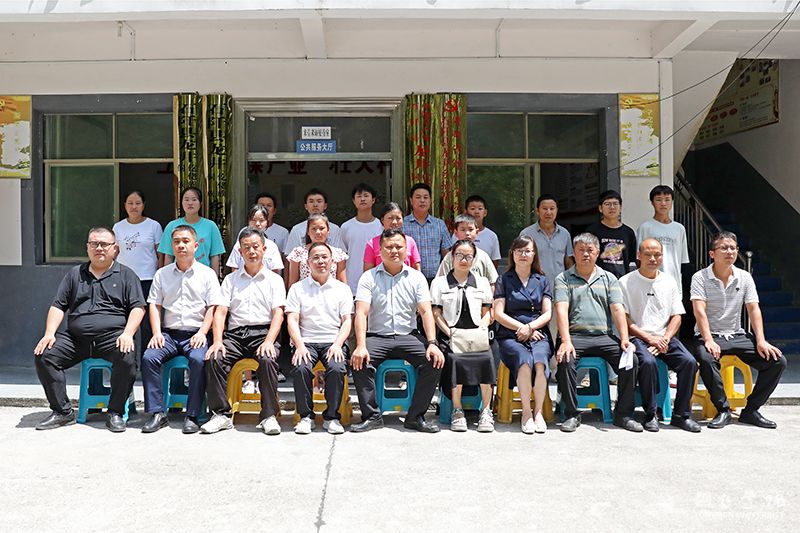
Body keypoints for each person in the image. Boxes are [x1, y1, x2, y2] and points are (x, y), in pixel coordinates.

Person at [33, 227, 145, 432]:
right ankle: (63, 412)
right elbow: (58, 305)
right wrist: (49, 333)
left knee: (127, 357)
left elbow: (138, 307)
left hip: (112, 338)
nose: (99, 248)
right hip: (76, 339)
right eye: (94, 244)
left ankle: (115, 412)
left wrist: (128, 333)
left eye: (104, 244)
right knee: (45, 355)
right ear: (87, 248)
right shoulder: (75, 274)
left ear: (115, 249)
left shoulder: (126, 275)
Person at [350, 229, 445, 433]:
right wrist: (360, 345)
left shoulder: (416, 277)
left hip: (408, 336)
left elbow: (426, 311)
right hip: (377, 337)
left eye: (399, 246)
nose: (394, 251)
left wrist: (432, 343)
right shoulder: (368, 277)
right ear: (380, 250)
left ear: (406, 249)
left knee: (434, 361)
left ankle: (415, 417)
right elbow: (361, 313)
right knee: (359, 361)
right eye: (389, 247)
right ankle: (372, 416)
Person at [691, 231, 786, 429]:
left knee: (777, 361)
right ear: (712, 254)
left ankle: (751, 410)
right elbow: (699, 311)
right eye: (724, 248)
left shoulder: (744, 277)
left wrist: (761, 340)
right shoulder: (700, 277)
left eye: (733, 248)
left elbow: (753, 309)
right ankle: (723, 410)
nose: (730, 252)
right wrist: (708, 339)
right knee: (706, 359)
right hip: (709, 335)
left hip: (736, 334)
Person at [200, 228, 286, 436]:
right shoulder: (230, 280)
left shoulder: (274, 280)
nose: (251, 251)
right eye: (246, 247)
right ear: (240, 252)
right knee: (214, 357)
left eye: (256, 246)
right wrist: (217, 340)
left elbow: (278, 314)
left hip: (263, 333)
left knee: (267, 359)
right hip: (236, 335)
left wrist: (269, 341)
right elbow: (221, 312)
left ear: (264, 249)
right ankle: (221, 414)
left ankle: (268, 415)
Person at [554, 233, 642, 433]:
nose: (586, 254)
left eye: (590, 250)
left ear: (598, 253)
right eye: (581, 250)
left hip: (604, 336)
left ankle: (623, 414)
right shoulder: (563, 278)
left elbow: (617, 309)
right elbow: (561, 310)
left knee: (631, 361)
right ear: (574, 253)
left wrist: (625, 339)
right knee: (565, 361)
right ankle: (572, 414)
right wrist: (565, 340)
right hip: (575, 337)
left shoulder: (609, 278)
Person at [141, 225, 224, 434]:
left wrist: (203, 332)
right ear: (171, 246)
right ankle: (157, 413)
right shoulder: (162, 274)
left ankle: (192, 415)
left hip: (196, 334)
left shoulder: (207, 274)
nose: (181, 245)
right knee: (149, 358)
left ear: (195, 246)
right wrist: (156, 333)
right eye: (177, 241)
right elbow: (154, 305)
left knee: (198, 360)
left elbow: (212, 307)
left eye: (186, 241)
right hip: (168, 334)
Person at [619, 239, 700, 433]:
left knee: (689, 362)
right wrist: (650, 339)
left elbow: (677, 316)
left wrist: (664, 338)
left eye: (657, 255)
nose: (653, 259)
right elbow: (624, 319)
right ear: (638, 256)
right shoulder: (626, 282)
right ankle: (651, 414)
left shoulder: (669, 281)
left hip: (665, 336)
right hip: (638, 337)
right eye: (647, 254)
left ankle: (681, 415)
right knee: (648, 363)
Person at [286, 242, 354, 435]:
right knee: (301, 367)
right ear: (308, 262)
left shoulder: (342, 289)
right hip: (305, 342)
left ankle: (332, 417)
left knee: (337, 367)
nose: (320, 261)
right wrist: (299, 345)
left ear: (332, 262)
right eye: (315, 257)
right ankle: (306, 416)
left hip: (333, 341)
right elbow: (292, 319)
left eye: (325, 257)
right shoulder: (297, 288)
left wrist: (338, 344)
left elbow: (347, 321)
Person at [431, 240, 496, 433]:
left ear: (474, 259)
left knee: (487, 358)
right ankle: (457, 410)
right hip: (450, 336)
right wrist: (450, 332)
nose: (464, 260)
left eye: (468, 256)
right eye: (459, 255)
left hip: (477, 336)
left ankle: (486, 410)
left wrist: (480, 329)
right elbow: (436, 313)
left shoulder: (482, 282)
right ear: (452, 257)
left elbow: (487, 312)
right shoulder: (439, 283)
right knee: (454, 359)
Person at [492, 235, 553, 434]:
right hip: (510, 334)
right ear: (512, 254)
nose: (523, 255)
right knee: (524, 360)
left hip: (538, 332)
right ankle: (527, 413)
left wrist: (531, 327)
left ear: (534, 254)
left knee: (540, 360)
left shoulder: (542, 280)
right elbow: (498, 314)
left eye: (527, 251)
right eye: (519, 251)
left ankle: (538, 412)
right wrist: (522, 328)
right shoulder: (504, 280)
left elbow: (548, 313)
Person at [112, 190, 163, 353]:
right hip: (123, 280)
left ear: (143, 205)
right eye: (130, 203)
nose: (134, 207)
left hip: (147, 279)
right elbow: (115, 253)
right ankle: (127, 360)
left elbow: (160, 254)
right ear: (124, 205)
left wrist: (159, 274)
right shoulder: (118, 227)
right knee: (125, 321)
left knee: (147, 323)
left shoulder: (154, 226)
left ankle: (146, 359)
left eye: (137, 203)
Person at [636, 185, 689, 295]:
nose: (663, 203)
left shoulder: (679, 229)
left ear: (672, 202)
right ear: (652, 202)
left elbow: (683, 261)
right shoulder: (645, 227)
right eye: (659, 200)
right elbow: (639, 259)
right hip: (651, 283)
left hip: (674, 283)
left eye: (667, 200)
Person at [159, 187, 226, 274]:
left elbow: (214, 256)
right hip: (178, 275)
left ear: (200, 203)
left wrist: (214, 278)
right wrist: (167, 277)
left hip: (203, 275)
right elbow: (169, 256)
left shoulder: (211, 226)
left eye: (194, 200)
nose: (190, 203)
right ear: (181, 203)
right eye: (186, 200)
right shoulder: (171, 226)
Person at [518, 194, 574, 290]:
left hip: (560, 288)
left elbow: (568, 262)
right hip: (534, 288)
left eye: (552, 208)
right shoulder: (526, 234)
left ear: (557, 210)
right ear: (537, 211)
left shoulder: (564, 234)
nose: (548, 212)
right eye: (544, 208)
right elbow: (520, 262)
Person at [403, 183, 452, 282]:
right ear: (411, 201)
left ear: (430, 201)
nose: (422, 200)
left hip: (436, 279)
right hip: (408, 279)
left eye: (425, 197)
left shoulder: (439, 224)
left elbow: (446, 254)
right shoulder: (402, 224)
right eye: (418, 197)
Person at [340, 183, 383, 295]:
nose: (362, 199)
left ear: (373, 200)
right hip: (351, 281)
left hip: (377, 281)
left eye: (366, 196)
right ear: (354, 201)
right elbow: (342, 256)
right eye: (359, 196)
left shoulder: (381, 226)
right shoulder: (346, 227)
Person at [586, 190, 637, 279]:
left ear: (620, 208)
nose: (612, 207)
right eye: (607, 204)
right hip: (598, 280)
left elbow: (632, 260)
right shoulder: (592, 231)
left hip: (621, 281)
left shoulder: (628, 232)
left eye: (615, 204)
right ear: (600, 208)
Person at [286, 214, 348, 287]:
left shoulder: (338, 254)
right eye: (314, 229)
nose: (318, 232)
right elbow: (293, 283)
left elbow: (342, 283)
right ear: (308, 231)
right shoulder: (298, 253)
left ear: (328, 231)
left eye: (321, 228)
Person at [436, 214, 498, 286]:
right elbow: (440, 282)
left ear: (477, 232)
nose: (467, 233)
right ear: (456, 233)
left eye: (471, 230)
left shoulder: (483, 256)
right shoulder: (449, 257)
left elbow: (492, 282)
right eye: (463, 230)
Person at [363, 202, 421, 272]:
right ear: (382, 220)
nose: (394, 222)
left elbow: (416, 269)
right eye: (390, 218)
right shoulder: (372, 243)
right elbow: (368, 272)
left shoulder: (410, 241)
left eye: (398, 218)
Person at [283, 188, 343, 254]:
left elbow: (340, 254)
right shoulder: (296, 229)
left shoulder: (335, 229)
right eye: (311, 201)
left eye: (319, 201)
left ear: (325, 205)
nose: (315, 205)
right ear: (306, 206)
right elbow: (289, 255)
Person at [227, 204, 283, 274]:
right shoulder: (239, 245)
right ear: (248, 222)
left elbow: (275, 271)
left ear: (267, 222)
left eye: (261, 220)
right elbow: (234, 268)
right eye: (253, 220)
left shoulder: (272, 246)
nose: (257, 224)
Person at [461, 194, 501, 267]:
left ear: (485, 212)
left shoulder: (492, 236)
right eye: (472, 209)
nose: (476, 212)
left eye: (480, 209)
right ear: (466, 212)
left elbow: (495, 260)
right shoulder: (458, 234)